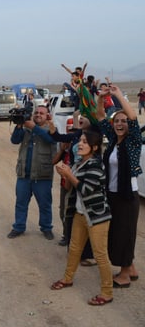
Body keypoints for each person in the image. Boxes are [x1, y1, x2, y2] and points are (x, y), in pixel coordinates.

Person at [51, 130, 113, 306]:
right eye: (80, 141)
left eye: (85, 142)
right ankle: (67, 278)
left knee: (100, 255)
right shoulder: (80, 163)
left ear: (94, 147)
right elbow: (71, 186)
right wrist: (65, 174)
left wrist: (69, 174)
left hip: (97, 216)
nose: (80, 144)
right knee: (74, 248)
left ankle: (107, 292)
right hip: (81, 213)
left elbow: (85, 190)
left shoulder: (96, 165)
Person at [93, 84, 141, 288]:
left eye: (123, 122)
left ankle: (123, 275)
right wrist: (101, 98)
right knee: (118, 232)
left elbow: (132, 117)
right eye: (117, 121)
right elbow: (100, 115)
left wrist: (118, 95)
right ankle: (130, 267)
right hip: (113, 193)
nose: (120, 124)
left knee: (124, 233)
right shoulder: (113, 140)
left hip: (127, 196)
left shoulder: (133, 141)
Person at [48, 112, 96, 265]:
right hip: (72, 178)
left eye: (84, 116)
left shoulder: (95, 135)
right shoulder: (77, 135)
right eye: (80, 117)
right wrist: (50, 122)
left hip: (86, 179)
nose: (81, 119)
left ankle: (88, 254)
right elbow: (57, 136)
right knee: (70, 214)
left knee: (87, 216)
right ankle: (73, 250)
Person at [8, 105, 57, 240]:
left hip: (42, 175)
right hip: (24, 174)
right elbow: (14, 140)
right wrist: (19, 126)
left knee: (45, 204)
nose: (38, 115)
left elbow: (51, 139)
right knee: (21, 203)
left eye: (42, 113)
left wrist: (33, 127)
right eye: (36, 113)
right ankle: (19, 227)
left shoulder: (51, 130)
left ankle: (46, 228)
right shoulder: (26, 129)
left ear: (47, 116)